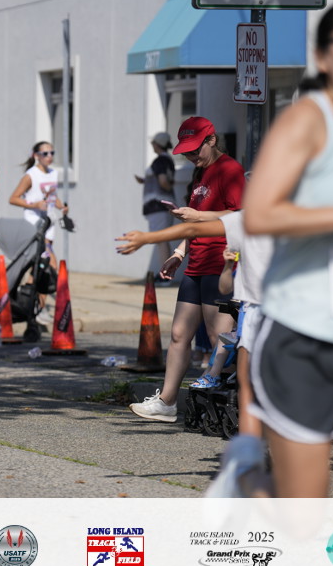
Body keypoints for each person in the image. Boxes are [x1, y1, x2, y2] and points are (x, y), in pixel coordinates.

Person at [244, 0, 333, 498]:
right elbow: (259, 214)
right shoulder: (307, 120)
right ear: (325, 57)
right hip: (303, 335)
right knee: (303, 512)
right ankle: (251, 490)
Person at [117, 207, 275, 496]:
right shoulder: (247, 219)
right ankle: (253, 455)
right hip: (252, 315)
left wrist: (147, 237)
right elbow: (193, 230)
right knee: (247, 385)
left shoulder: (288, 217)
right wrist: (219, 262)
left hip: (283, 315)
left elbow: (193, 226)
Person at [128, 116, 245, 422]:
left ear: (211, 140)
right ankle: (167, 402)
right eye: (187, 151)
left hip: (220, 264)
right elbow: (195, 223)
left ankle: (229, 406)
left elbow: (240, 215)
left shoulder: (229, 170)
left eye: (196, 149)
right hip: (196, 265)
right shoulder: (201, 173)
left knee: (220, 339)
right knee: (180, 334)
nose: (192, 156)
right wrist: (179, 253)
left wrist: (198, 217)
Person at [8, 141, 67, 323]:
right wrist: (34, 204)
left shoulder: (53, 173)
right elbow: (13, 198)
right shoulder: (30, 176)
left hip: (49, 225)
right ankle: (38, 308)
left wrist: (62, 207)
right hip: (35, 226)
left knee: (38, 270)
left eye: (52, 153)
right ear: (36, 156)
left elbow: (52, 196)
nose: (49, 157)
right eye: (45, 153)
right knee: (49, 267)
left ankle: (27, 305)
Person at [135, 132, 177, 279]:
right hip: (162, 206)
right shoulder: (167, 160)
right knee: (162, 240)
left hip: (158, 206)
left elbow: (163, 181)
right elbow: (163, 180)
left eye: (153, 143)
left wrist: (166, 187)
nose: (152, 145)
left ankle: (165, 275)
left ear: (158, 144)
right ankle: (165, 274)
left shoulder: (160, 161)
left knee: (161, 240)